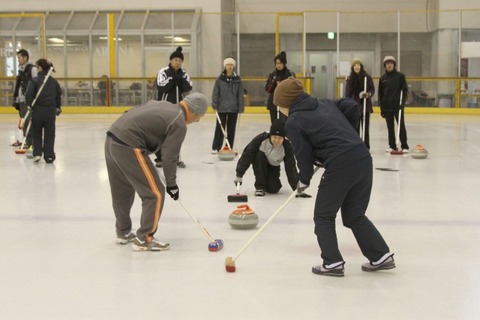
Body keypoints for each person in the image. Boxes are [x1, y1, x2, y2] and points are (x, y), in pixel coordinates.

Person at [274, 77, 395, 277]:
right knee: (354, 215)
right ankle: (381, 255)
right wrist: (346, 137)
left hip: (341, 165)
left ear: (287, 103)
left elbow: (302, 154)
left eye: (279, 105)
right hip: (362, 157)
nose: (279, 109)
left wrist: (303, 180)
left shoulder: (294, 122)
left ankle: (333, 262)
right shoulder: (324, 103)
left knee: (323, 215)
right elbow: (351, 107)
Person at [104, 92, 208, 252]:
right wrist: (172, 185)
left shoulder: (165, 105)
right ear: (193, 111)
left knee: (122, 191)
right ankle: (144, 238)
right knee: (155, 193)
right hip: (128, 145)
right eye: (199, 116)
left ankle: (123, 232)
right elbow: (169, 156)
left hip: (112, 138)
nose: (198, 120)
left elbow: (131, 112)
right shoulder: (178, 122)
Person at [234, 119, 308, 198]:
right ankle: (260, 187)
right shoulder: (260, 139)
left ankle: (269, 182)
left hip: (273, 165)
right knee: (259, 154)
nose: (276, 140)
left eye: (280, 138)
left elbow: (291, 168)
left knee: (273, 189)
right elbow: (247, 155)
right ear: (270, 135)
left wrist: (296, 189)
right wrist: (239, 174)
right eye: (274, 137)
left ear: (284, 138)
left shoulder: (287, 147)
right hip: (259, 162)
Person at [155, 46, 193, 168]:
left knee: (177, 133)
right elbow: (161, 86)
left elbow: (188, 87)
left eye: (180, 60)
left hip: (179, 108)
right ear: (171, 60)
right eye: (175, 60)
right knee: (162, 133)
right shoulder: (163, 72)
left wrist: (180, 79)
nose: (177, 62)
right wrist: (172, 79)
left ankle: (176, 159)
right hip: (164, 107)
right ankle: (160, 158)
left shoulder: (184, 74)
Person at [25, 59, 62, 164]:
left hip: (37, 111)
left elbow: (29, 95)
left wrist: (29, 105)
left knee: (36, 132)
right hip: (50, 112)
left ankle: (37, 153)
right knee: (50, 133)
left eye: (36, 67)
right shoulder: (54, 82)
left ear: (40, 68)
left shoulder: (34, 81)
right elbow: (58, 95)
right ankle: (49, 155)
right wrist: (58, 107)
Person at [211, 57, 244, 154]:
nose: (229, 67)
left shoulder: (238, 80)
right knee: (219, 128)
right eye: (228, 65)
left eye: (231, 65)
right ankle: (216, 147)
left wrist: (241, 107)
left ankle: (228, 147)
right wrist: (214, 104)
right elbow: (215, 93)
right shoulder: (219, 79)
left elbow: (240, 94)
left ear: (233, 66)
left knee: (231, 129)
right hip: (222, 107)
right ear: (225, 66)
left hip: (234, 108)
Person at [378, 55, 409, 153]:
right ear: (385, 65)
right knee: (390, 127)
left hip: (397, 106)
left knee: (401, 126)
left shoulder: (400, 76)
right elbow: (380, 94)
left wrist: (402, 104)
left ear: (394, 64)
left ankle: (404, 146)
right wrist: (382, 108)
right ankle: (392, 145)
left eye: (391, 63)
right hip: (387, 107)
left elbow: (404, 91)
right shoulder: (383, 78)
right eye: (387, 64)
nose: (389, 65)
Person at [345, 58, 375, 149]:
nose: (357, 67)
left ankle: (366, 145)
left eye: (358, 65)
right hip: (355, 106)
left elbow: (372, 89)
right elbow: (348, 94)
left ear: (361, 67)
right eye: (355, 65)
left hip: (365, 105)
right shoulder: (350, 79)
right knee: (355, 127)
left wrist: (368, 94)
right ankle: (356, 145)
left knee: (365, 128)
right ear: (353, 67)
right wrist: (348, 104)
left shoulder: (367, 77)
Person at [12, 49, 37, 147]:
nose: (18, 60)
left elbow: (36, 83)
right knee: (23, 121)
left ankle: (32, 142)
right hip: (21, 100)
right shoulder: (21, 70)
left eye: (19, 58)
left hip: (28, 101)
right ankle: (27, 140)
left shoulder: (32, 69)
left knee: (29, 121)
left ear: (25, 58)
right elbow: (18, 85)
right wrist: (16, 98)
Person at [265, 51, 295, 124]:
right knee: (275, 123)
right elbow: (267, 89)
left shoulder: (290, 74)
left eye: (280, 63)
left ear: (284, 63)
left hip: (285, 104)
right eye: (277, 63)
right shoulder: (273, 74)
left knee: (285, 123)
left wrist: (282, 84)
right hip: (273, 103)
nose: (278, 65)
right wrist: (274, 83)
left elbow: (294, 88)